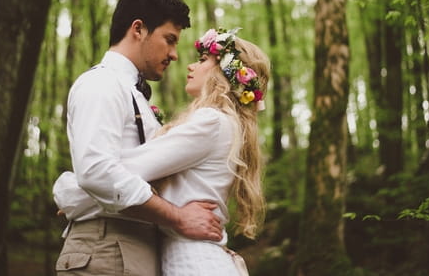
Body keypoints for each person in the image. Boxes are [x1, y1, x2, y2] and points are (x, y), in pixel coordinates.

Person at [54, 27, 270, 275]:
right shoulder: (223, 125)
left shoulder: (211, 122)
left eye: (201, 61)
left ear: (224, 73)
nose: (190, 66)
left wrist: (70, 191)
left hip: (196, 262)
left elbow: (117, 171)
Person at [53, 0, 223, 276]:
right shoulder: (101, 84)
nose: (174, 55)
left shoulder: (132, 94)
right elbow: (96, 171)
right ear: (138, 29)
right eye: (169, 40)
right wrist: (178, 217)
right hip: (107, 246)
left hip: (129, 246)